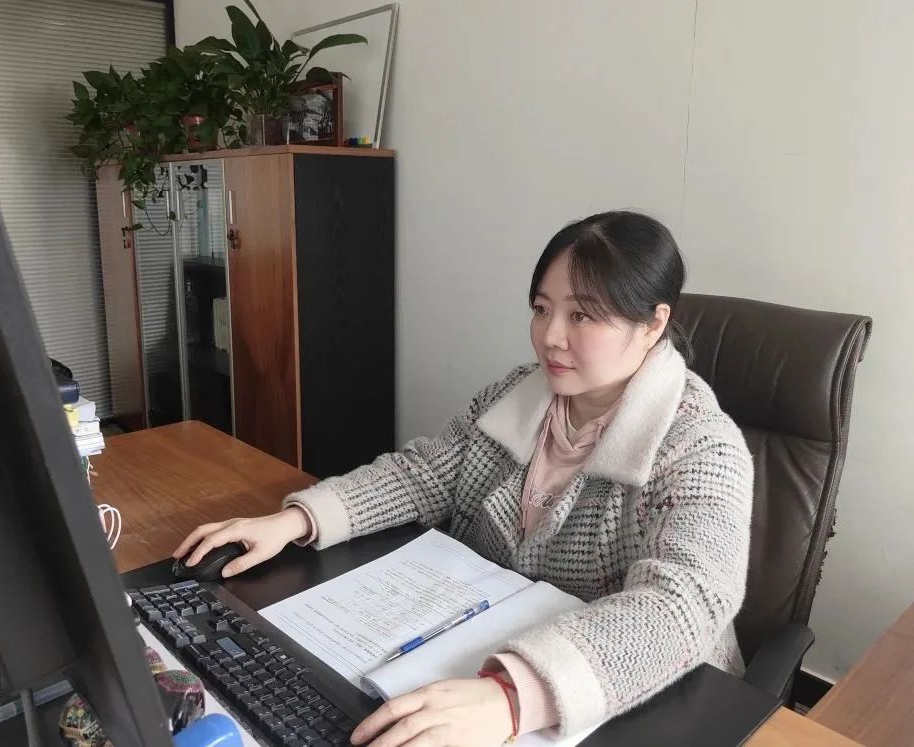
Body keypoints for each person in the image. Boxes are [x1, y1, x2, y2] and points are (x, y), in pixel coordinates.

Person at [174, 211, 754, 746]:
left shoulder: (701, 446)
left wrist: (514, 698)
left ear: (653, 324)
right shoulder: (517, 394)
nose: (550, 336)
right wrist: (296, 520)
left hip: (647, 702)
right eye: (541, 309)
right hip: (482, 649)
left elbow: (683, 604)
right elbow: (422, 474)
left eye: (581, 315)